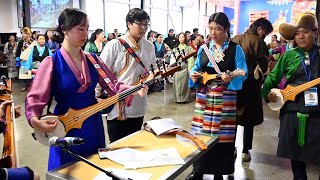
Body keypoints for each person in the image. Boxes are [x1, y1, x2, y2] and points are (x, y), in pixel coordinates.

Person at [25, 8, 148, 171]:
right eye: (80, 29)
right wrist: (35, 121)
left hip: (92, 123)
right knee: (67, 171)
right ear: (65, 29)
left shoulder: (93, 59)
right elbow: (35, 98)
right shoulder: (52, 62)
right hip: (65, 126)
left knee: (94, 168)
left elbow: (113, 84)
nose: (85, 34)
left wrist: (132, 89)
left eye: (87, 29)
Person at [187, 12, 248, 180]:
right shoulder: (204, 48)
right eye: (211, 28)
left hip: (226, 97)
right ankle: (198, 169)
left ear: (226, 29)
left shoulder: (236, 49)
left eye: (218, 29)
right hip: (204, 97)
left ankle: (219, 172)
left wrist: (232, 78)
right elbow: (196, 68)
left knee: (223, 137)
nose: (213, 33)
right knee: (201, 133)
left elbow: (244, 72)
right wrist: (193, 75)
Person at [262, 13, 320, 180]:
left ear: (315, 33)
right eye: (297, 33)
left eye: (306, 32)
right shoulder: (288, 56)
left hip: (316, 113)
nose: (301, 37)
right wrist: (268, 93)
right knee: (296, 155)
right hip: (292, 111)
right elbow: (272, 78)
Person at [99, 8, 156, 143]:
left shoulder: (149, 46)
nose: (143, 28)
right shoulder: (114, 45)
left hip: (139, 104)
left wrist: (151, 78)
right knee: (117, 144)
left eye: (146, 24)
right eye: (139, 24)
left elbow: (151, 70)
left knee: (135, 142)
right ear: (129, 24)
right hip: (117, 105)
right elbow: (100, 73)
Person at [232, 17, 273, 162]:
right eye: (265, 33)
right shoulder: (259, 42)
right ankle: (245, 151)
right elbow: (263, 66)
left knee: (233, 118)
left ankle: (231, 149)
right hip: (251, 86)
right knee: (248, 119)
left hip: (234, 85)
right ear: (260, 29)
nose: (264, 36)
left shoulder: (235, 39)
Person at [172, 32, 194, 103]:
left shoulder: (189, 48)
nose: (181, 38)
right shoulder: (175, 48)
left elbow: (191, 59)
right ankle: (177, 98)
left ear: (185, 38)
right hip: (177, 68)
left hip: (185, 67)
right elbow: (172, 59)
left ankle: (185, 98)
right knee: (177, 83)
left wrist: (190, 68)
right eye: (180, 37)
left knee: (185, 83)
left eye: (182, 37)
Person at [16, 27, 34, 91]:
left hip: (30, 59)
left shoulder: (33, 42)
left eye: (27, 33)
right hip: (23, 60)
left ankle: (29, 85)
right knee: (22, 74)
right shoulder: (21, 42)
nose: (25, 35)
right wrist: (17, 60)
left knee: (29, 73)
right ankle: (24, 85)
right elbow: (18, 51)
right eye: (24, 33)